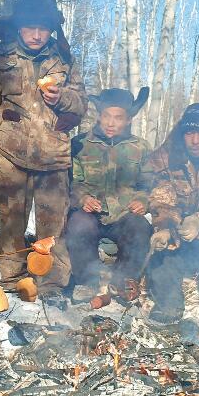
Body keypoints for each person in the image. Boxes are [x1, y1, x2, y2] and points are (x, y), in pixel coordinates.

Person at [0, 0, 87, 303]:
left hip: (53, 156)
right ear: (18, 25)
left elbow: (82, 105)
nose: (36, 34)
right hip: (11, 154)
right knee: (10, 219)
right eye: (29, 27)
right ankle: (11, 275)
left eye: (43, 28)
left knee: (52, 225)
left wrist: (64, 98)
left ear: (52, 28)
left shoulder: (65, 59)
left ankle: (51, 283)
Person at [143, 104, 199, 323]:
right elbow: (161, 196)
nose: (195, 140)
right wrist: (165, 227)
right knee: (161, 250)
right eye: (189, 133)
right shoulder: (164, 157)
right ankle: (168, 304)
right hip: (177, 229)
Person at [65, 88, 152, 296]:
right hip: (91, 215)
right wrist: (83, 198)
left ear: (129, 120)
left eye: (118, 118)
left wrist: (142, 200)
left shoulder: (141, 147)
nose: (111, 123)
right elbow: (72, 182)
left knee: (140, 227)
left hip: (123, 215)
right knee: (78, 224)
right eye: (106, 116)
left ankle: (124, 280)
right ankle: (87, 282)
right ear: (99, 116)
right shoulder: (80, 144)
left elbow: (148, 185)